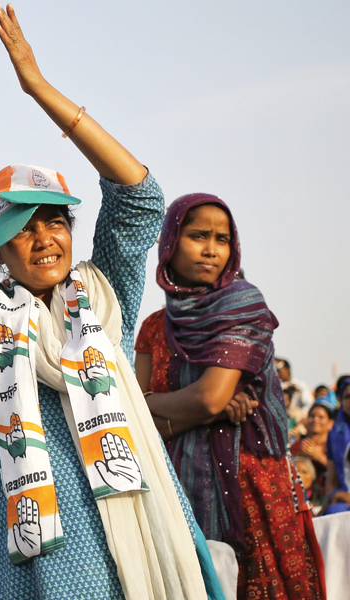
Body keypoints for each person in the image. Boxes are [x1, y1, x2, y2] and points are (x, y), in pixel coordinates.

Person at [0, 5, 220, 599]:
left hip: (132, 533)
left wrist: (37, 86)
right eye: (23, 227)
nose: (44, 236)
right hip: (37, 558)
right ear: (0, 253)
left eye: (54, 221)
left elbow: (141, 196)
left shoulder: (106, 295)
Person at [134, 193, 325, 599]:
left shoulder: (243, 305)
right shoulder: (154, 327)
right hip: (177, 488)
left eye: (222, 239)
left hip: (252, 483)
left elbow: (205, 398)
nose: (211, 250)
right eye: (198, 236)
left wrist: (152, 404)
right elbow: (141, 419)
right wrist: (202, 411)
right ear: (170, 243)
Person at [323, 377, 350, 514]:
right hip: (345, 500)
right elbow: (331, 482)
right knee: (335, 511)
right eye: (347, 397)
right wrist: (336, 495)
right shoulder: (334, 435)